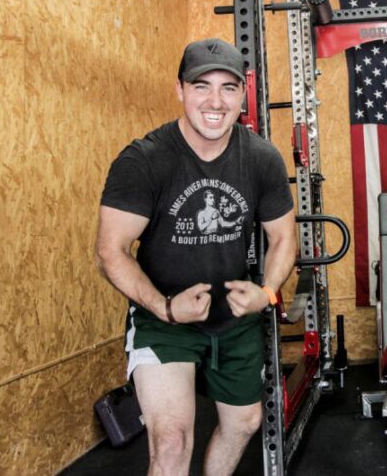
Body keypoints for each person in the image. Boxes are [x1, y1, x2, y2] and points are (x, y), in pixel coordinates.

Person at [95, 38, 296, 475]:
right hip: (163, 319)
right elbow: (111, 252)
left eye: (228, 88)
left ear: (243, 95)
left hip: (234, 318)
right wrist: (165, 308)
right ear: (180, 90)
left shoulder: (261, 159)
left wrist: (268, 292)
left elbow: (283, 238)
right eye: (201, 85)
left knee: (244, 423)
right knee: (171, 440)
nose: (215, 101)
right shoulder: (144, 160)